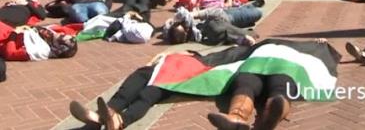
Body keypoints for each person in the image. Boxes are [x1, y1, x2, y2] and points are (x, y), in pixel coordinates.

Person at [68, 39, 340, 130]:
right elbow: (225, 57)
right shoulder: (243, 52)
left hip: (277, 61)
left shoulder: (294, 49)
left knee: (266, 81)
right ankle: (247, 116)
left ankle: (259, 114)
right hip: (255, 63)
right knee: (253, 80)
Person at [162, 4, 261, 46]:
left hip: (223, 14)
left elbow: (167, 25)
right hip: (226, 19)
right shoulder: (201, 32)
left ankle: (248, 6)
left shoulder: (183, 22)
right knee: (258, 13)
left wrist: (194, 14)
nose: (185, 25)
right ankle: (248, 7)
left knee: (254, 13)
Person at [0, 21, 78, 62]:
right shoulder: (49, 37)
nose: (61, 33)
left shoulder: (39, 51)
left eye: (61, 36)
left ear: (57, 47)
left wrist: (14, 34)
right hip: (6, 31)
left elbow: (10, 54)